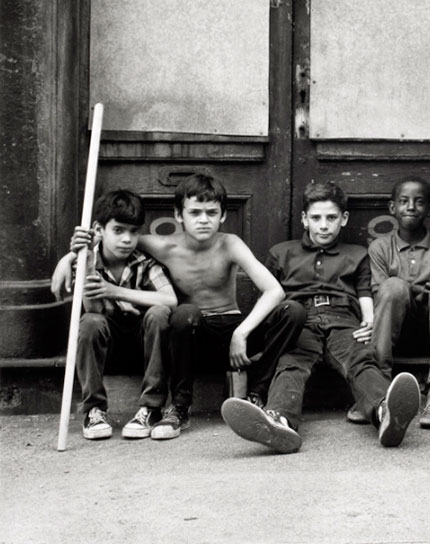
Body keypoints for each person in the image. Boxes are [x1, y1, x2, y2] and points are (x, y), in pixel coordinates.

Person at [52, 173, 296, 441]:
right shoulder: (160, 245)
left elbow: (275, 291)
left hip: (232, 330)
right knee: (183, 313)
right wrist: (70, 257)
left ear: (223, 215)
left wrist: (242, 333)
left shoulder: (231, 244)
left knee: (293, 312)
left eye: (212, 212)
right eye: (195, 212)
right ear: (179, 215)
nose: (204, 219)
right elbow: (113, 241)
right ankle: (179, 406)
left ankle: (256, 395)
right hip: (191, 334)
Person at [220, 181, 421, 454]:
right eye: (316, 218)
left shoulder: (357, 254)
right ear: (305, 219)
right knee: (292, 362)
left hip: (343, 318)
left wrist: (370, 321)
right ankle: (278, 420)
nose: (323, 225)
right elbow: (267, 300)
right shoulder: (281, 252)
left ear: (344, 219)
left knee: (359, 359)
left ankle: (385, 412)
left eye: (331, 218)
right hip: (300, 319)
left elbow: (364, 293)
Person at [50, 190, 178, 440]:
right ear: (99, 229)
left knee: (159, 313)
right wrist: (79, 261)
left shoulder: (144, 263)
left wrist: (116, 291)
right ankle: (94, 409)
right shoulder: (87, 260)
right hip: (106, 350)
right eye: (118, 230)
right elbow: (95, 310)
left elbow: (170, 299)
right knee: (90, 321)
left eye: (133, 232)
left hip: (147, 349)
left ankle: (151, 408)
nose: (127, 239)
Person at [366, 176, 430, 428]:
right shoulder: (380, 247)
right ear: (392, 209)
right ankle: (377, 389)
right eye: (403, 202)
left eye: (419, 202)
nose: (411, 207)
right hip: (393, 332)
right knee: (393, 286)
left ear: (429, 210)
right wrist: (413, 288)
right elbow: (381, 294)